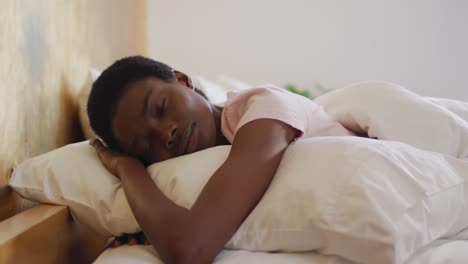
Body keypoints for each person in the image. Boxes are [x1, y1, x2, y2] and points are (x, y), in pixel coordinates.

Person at [87, 56, 355, 264]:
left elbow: (190, 249)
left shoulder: (264, 110)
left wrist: (127, 168)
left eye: (161, 108)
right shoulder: (190, 169)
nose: (165, 133)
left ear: (182, 80)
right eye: (144, 144)